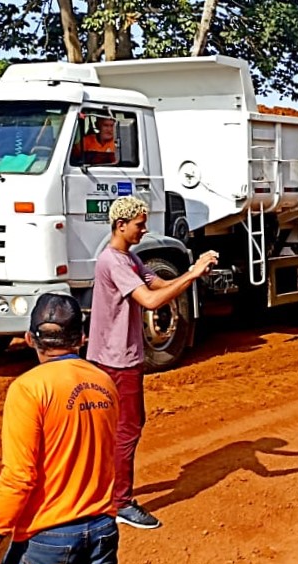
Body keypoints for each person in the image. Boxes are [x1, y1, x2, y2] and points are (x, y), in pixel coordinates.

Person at [0, 293, 124, 564]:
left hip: (46, 536)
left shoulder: (28, 389)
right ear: (81, 338)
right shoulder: (104, 383)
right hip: (101, 528)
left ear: (30, 339)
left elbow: (19, 476)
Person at [86, 196, 218, 530]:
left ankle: (100, 494)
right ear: (121, 225)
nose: (144, 230)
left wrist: (190, 273)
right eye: (139, 224)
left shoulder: (127, 258)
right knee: (127, 428)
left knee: (110, 430)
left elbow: (157, 283)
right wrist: (193, 274)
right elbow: (151, 300)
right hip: (118, 360)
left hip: (110, 357)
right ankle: (120, 502)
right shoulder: (115, 262)